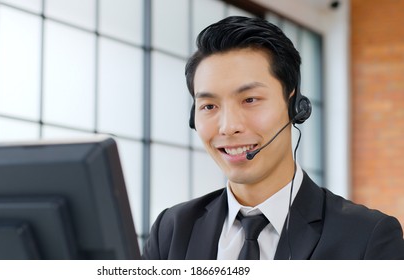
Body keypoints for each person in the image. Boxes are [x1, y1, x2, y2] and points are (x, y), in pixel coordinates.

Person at [142, 16, 404, 260]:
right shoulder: (171, 230)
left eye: (250, 100)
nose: (228, 127)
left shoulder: (368, 238)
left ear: (295, 107)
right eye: (209, 106)